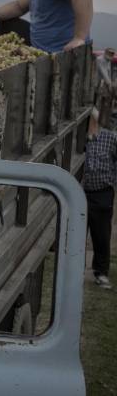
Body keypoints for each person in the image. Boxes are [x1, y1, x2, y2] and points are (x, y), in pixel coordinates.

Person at [82, 104, 116, 289]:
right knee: (77, 233)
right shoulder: (80, 140)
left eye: (92, 122)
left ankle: (101, 273)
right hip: (80, 193)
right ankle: (74, 269)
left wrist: (113, 185)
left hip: (102, 193)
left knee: (101, 235)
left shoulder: (110, 138)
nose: (91, 126)